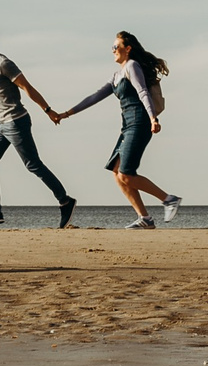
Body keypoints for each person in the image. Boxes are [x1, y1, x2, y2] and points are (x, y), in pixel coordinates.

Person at [51, 31, 182, 228]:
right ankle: (145, 218)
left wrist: (153, 118)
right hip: (127, 126)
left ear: (127, 48)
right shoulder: (116, 76)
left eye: (116, 47)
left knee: (126, 174)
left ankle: (168, 199)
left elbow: (142, 92)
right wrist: (66, 114)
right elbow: (93, 98)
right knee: (116, 172)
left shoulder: (132, 66)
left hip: (139, 122)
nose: (112, 50)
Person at [0, 27, 75, 228]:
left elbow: (28, 88)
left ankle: (65, 201)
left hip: (16, 122)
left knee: (33, 164)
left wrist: (48, 110)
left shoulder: (3, 63)